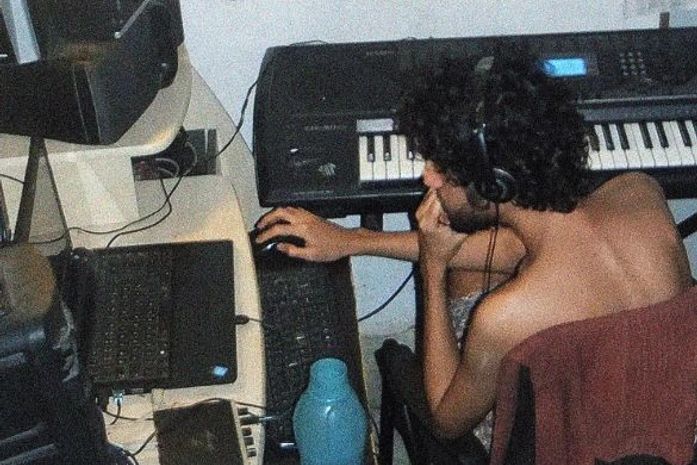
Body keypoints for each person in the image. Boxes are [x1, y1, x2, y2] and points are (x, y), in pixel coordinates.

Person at [254, 45, 693, 454]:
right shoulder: (640, 193)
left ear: (493, 185)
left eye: (442, 169)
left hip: (563, 444)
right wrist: (353, 241)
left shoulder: (505, 316)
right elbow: (514, 250)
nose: (428, 178)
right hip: (663, 410)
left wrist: (432, 266)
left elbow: (447, 421)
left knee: (458, 285)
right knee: (472, 267)